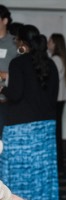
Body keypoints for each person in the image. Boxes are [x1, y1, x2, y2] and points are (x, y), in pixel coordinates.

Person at [0, 24, 59, 200]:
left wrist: (2, 88)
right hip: (46, 129)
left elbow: (15, 95)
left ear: (22, 43)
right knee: (42, 175)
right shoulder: (51, 64)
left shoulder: (18, 63)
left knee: (18, 175)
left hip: (21, 129)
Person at [47, 33, 66, 171]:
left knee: (55, 131)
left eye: (50, 41)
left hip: (56, 99)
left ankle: (58, 163)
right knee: (57, 131)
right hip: (60, 98)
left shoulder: (55, 59)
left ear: (55, 43)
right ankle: (59, 162)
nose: (48, 43)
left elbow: (51, 79)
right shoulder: (60, 58)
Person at [0, 4, 17, 138]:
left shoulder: (15, 43)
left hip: (5, 100)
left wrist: (5, 76)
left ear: (5, 21)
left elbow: (23, 71)